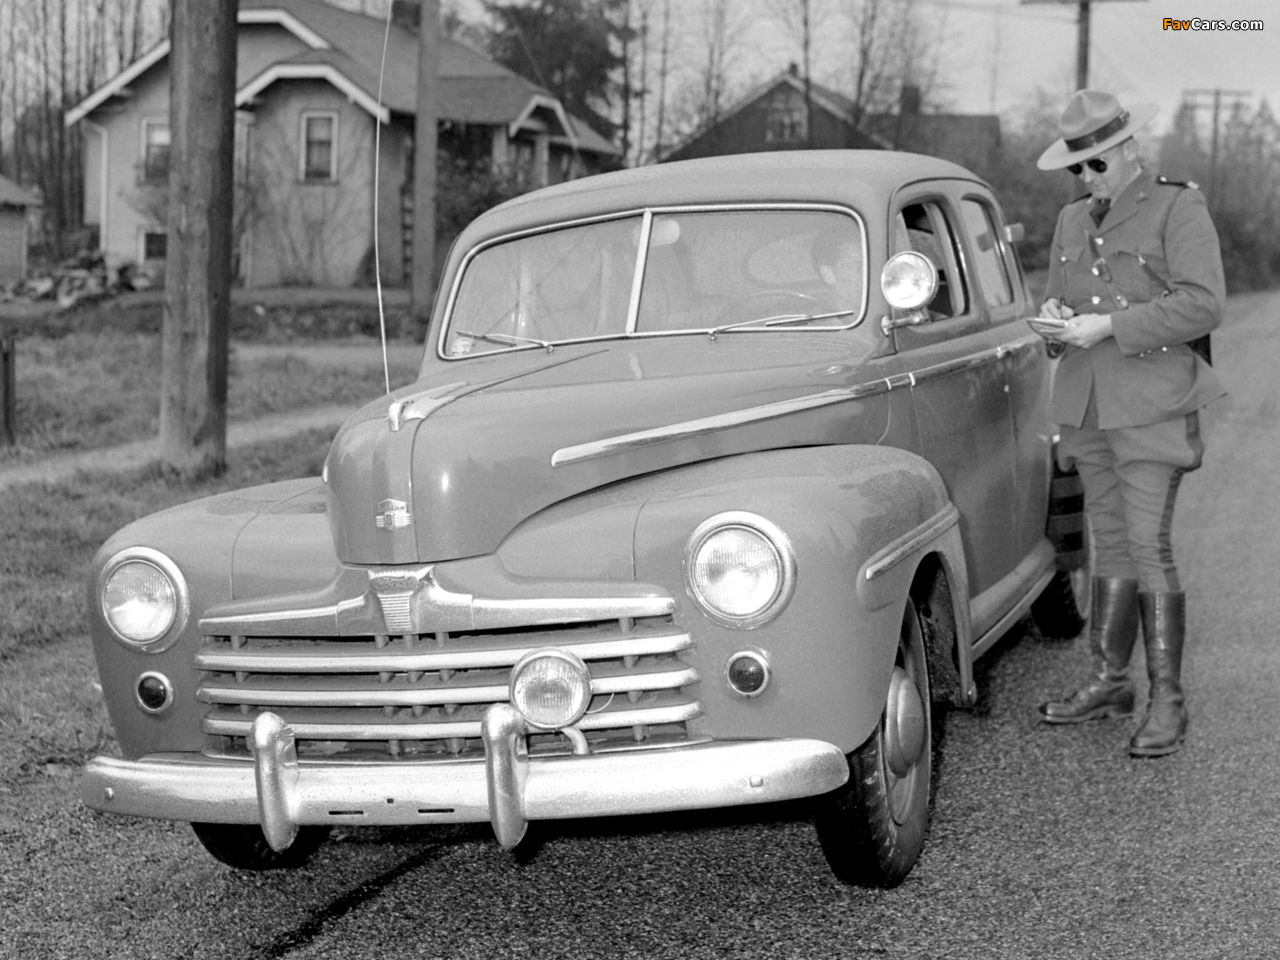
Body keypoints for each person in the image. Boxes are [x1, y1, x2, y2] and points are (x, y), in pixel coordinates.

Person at [1031, 89, 1226, 758]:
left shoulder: (1177, 206)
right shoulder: (1069, 220)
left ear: (1129, 149)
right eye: (1077, 168)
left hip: (1151, 407)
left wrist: (1110, 325)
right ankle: (1111, 682)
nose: (1087, 177)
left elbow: (1203, 304)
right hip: (1087, 407)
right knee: (1110, 545)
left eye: (1098, 164)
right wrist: (1055, 322)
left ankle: (1168, 700)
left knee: (1147, 546)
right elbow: (1057, 302)